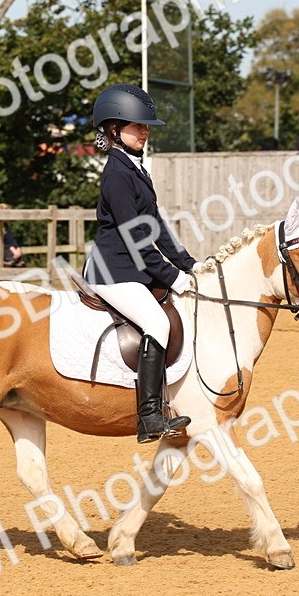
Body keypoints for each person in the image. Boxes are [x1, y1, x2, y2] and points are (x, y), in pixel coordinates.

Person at [85, 83, 197, 444]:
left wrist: (188, 263)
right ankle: (149, 416)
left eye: (147, 126)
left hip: (130, 268)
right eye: (138, 125)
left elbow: (156, 226)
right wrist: (172, 276)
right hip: (112, 272)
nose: (145, 131)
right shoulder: (117, 175)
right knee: (156, 322)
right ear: (114, 130)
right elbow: (138, 243)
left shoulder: (135, 169)